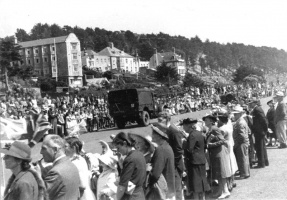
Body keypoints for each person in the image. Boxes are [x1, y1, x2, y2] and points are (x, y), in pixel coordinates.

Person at [39, 134, 81, 200]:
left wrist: (37, 176)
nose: (41, 152)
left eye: (44, 148)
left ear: (55, 149)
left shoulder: (56, 172)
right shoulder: (72, 165)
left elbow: (41, 196)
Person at [157, 112, 184, 200]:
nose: (159, 122)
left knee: (176, 188)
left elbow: (179, 151)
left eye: (161, 120)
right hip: (170, 164)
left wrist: (170, 162)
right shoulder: (166, 130)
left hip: (175, 165)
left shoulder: (173, 131)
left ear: (168, 119)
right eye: (158, 120)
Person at [181, 118, 210, 200]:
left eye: (183, 126)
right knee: (202, 182)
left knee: (195, 184)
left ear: (188, 126)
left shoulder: (192, 135)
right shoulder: (199, 133)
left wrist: (184, 143)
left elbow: (189, 149)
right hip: (201, 160)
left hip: (194, 162)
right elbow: (204, 147)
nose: (183, 128)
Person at [204, 114, 231, 199]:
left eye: (206, 120)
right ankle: (221, 190)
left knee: (221, 172)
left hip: (218, 153)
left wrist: (211, 145)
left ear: (211, 121)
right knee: (218, 173)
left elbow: (222, 140)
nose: (205, 121)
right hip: (215, 153)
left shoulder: (214, 129)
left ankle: (225, 191)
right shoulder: (210, 129)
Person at [112, 132, 146, 200]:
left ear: (124, 143)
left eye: (118, 148)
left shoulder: (129, 159)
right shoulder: (139, 154)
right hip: (140, 194)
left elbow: (122, 187)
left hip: (131, 196)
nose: (118, 151)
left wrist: (117, 198)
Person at [149, 123, 175, 200]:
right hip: (168, 189)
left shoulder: (161, 149)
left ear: (159, 136)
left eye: (153, 133)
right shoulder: (166, 146)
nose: (151, 135)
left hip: (163, 191)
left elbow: (155, 174)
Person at [248, 98, 269, 168]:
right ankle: (265, 161)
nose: (250, 104)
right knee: (262, 147)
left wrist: (264, 130)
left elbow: (264, 120)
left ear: (254, 103)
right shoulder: (257, 109)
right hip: (260, 131)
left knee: (259, 148)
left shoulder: (257, 109)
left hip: (259, 131)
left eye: (251, 103)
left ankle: (261, 163)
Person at [232, 105, 250, 178]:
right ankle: (245, 172)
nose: (234, 115)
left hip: (241, 142)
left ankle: (244, 173)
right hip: (243, 142)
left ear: (240, 114)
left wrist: (237, 143)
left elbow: (242, 135)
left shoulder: (240, 122)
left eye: (236, 114)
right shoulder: (241, 121)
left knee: (242, 158)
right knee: (244, 157)